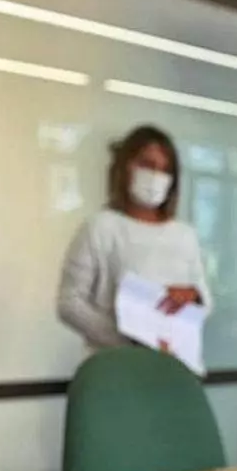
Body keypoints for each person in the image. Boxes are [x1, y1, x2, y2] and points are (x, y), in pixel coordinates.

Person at [57, 125, 211, 351]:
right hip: (118, 363)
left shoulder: (184, 235)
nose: (156, 176)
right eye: (147, 165)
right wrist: (127, 340)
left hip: (174, 362)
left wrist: (192, 297)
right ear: (125, 167)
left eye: (165, 170)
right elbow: (69, 302)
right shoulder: (101, 227)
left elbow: (204, 301)